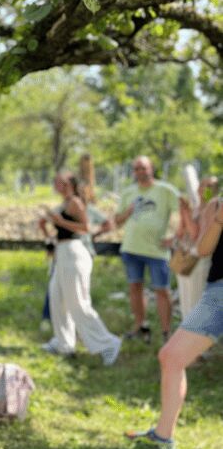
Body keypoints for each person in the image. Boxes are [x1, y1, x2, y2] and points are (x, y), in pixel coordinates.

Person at [126, 194, 223, 449]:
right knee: (171, 357)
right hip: (218, 291)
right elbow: (203, 249)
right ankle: (163, 436)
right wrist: (218, 218)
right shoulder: (219, 202)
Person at [39, 172, 121, 365]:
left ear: (71, 184)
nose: (58, 184)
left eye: (62, 181)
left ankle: (107, 343)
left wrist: (59, 221)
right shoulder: (64, 203)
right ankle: (63, 342)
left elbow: (85, 227)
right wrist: (47, 227)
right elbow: (60, 232)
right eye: (56, 181)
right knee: (57, 298)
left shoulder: (75, 202)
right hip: (62, 252)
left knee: (78, 302)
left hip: (74, 253)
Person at [100, 156, 181, 343]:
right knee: (135, 287)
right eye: (136, 169)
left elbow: (184, 211)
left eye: (143, 168)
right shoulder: (129, 193)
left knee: (162, 290)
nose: (140, 172)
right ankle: (140, 325)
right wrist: (128, 212)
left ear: (151, 169)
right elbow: (117, 222)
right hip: (131, 248)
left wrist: (175, 236)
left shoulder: (165, 190)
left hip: (157, 251)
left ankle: (167, 333)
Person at [174, 176, 218, 320]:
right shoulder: (196, 208)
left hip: (199, 258)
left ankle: (196, 335)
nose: (206, 189)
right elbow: (181, 233)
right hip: (185, 255)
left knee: (195, 300)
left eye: (211, 186)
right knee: (184, 298)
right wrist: (183, 212)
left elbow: (195, 235)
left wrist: (186, 212)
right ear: (198, 189)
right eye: (203, 185)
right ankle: (186, 332)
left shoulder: (214, 206)